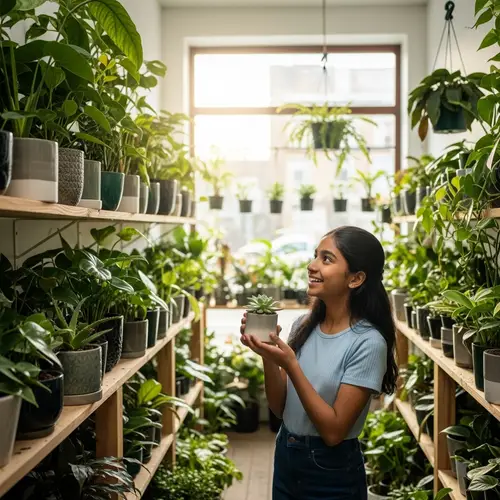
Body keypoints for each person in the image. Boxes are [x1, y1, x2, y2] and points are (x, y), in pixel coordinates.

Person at [239, 226, 397, 500]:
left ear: (356, 278)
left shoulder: (368, 343)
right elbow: (279, 408)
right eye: (315, 256)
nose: (312, 266)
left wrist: (291, 365)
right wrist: (267, 354)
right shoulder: (303, 325)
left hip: (331, 470)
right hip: (287, 455)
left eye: (326, 259)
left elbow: (334, 432)